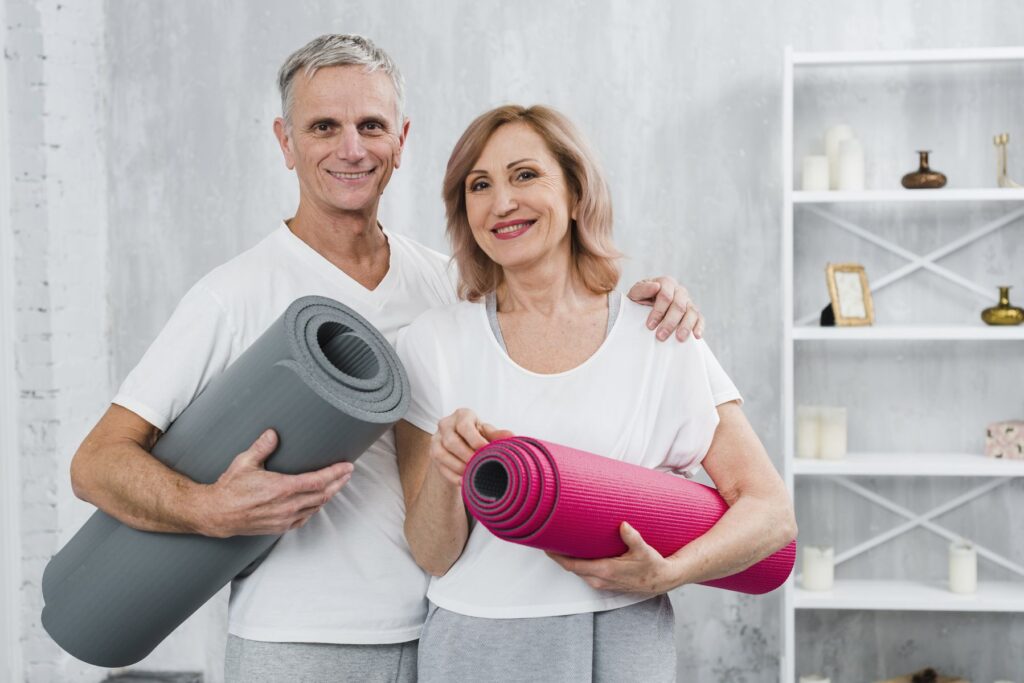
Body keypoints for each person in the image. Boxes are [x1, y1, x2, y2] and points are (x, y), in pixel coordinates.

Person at [68, 35, 708, 682]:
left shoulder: (445, 282)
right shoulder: (233, 295)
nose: (351, 148)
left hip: (437, 634)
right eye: (324, 127)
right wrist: (208, 507)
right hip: (295, 642)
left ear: (400, 139)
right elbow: (96, 464)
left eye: (370, 125)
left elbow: (547, 325)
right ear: (286, 142)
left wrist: (655, 306)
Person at [395, 104, 797, 682]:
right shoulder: (431, 343)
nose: (502, 201)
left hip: (623, 637)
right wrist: (445, 470)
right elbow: (432, 554)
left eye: (525, 175)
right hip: (477, 645)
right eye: (478, 185)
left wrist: (672, 572)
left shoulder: (659, 333)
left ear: (577, 191)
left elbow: (771, 512)